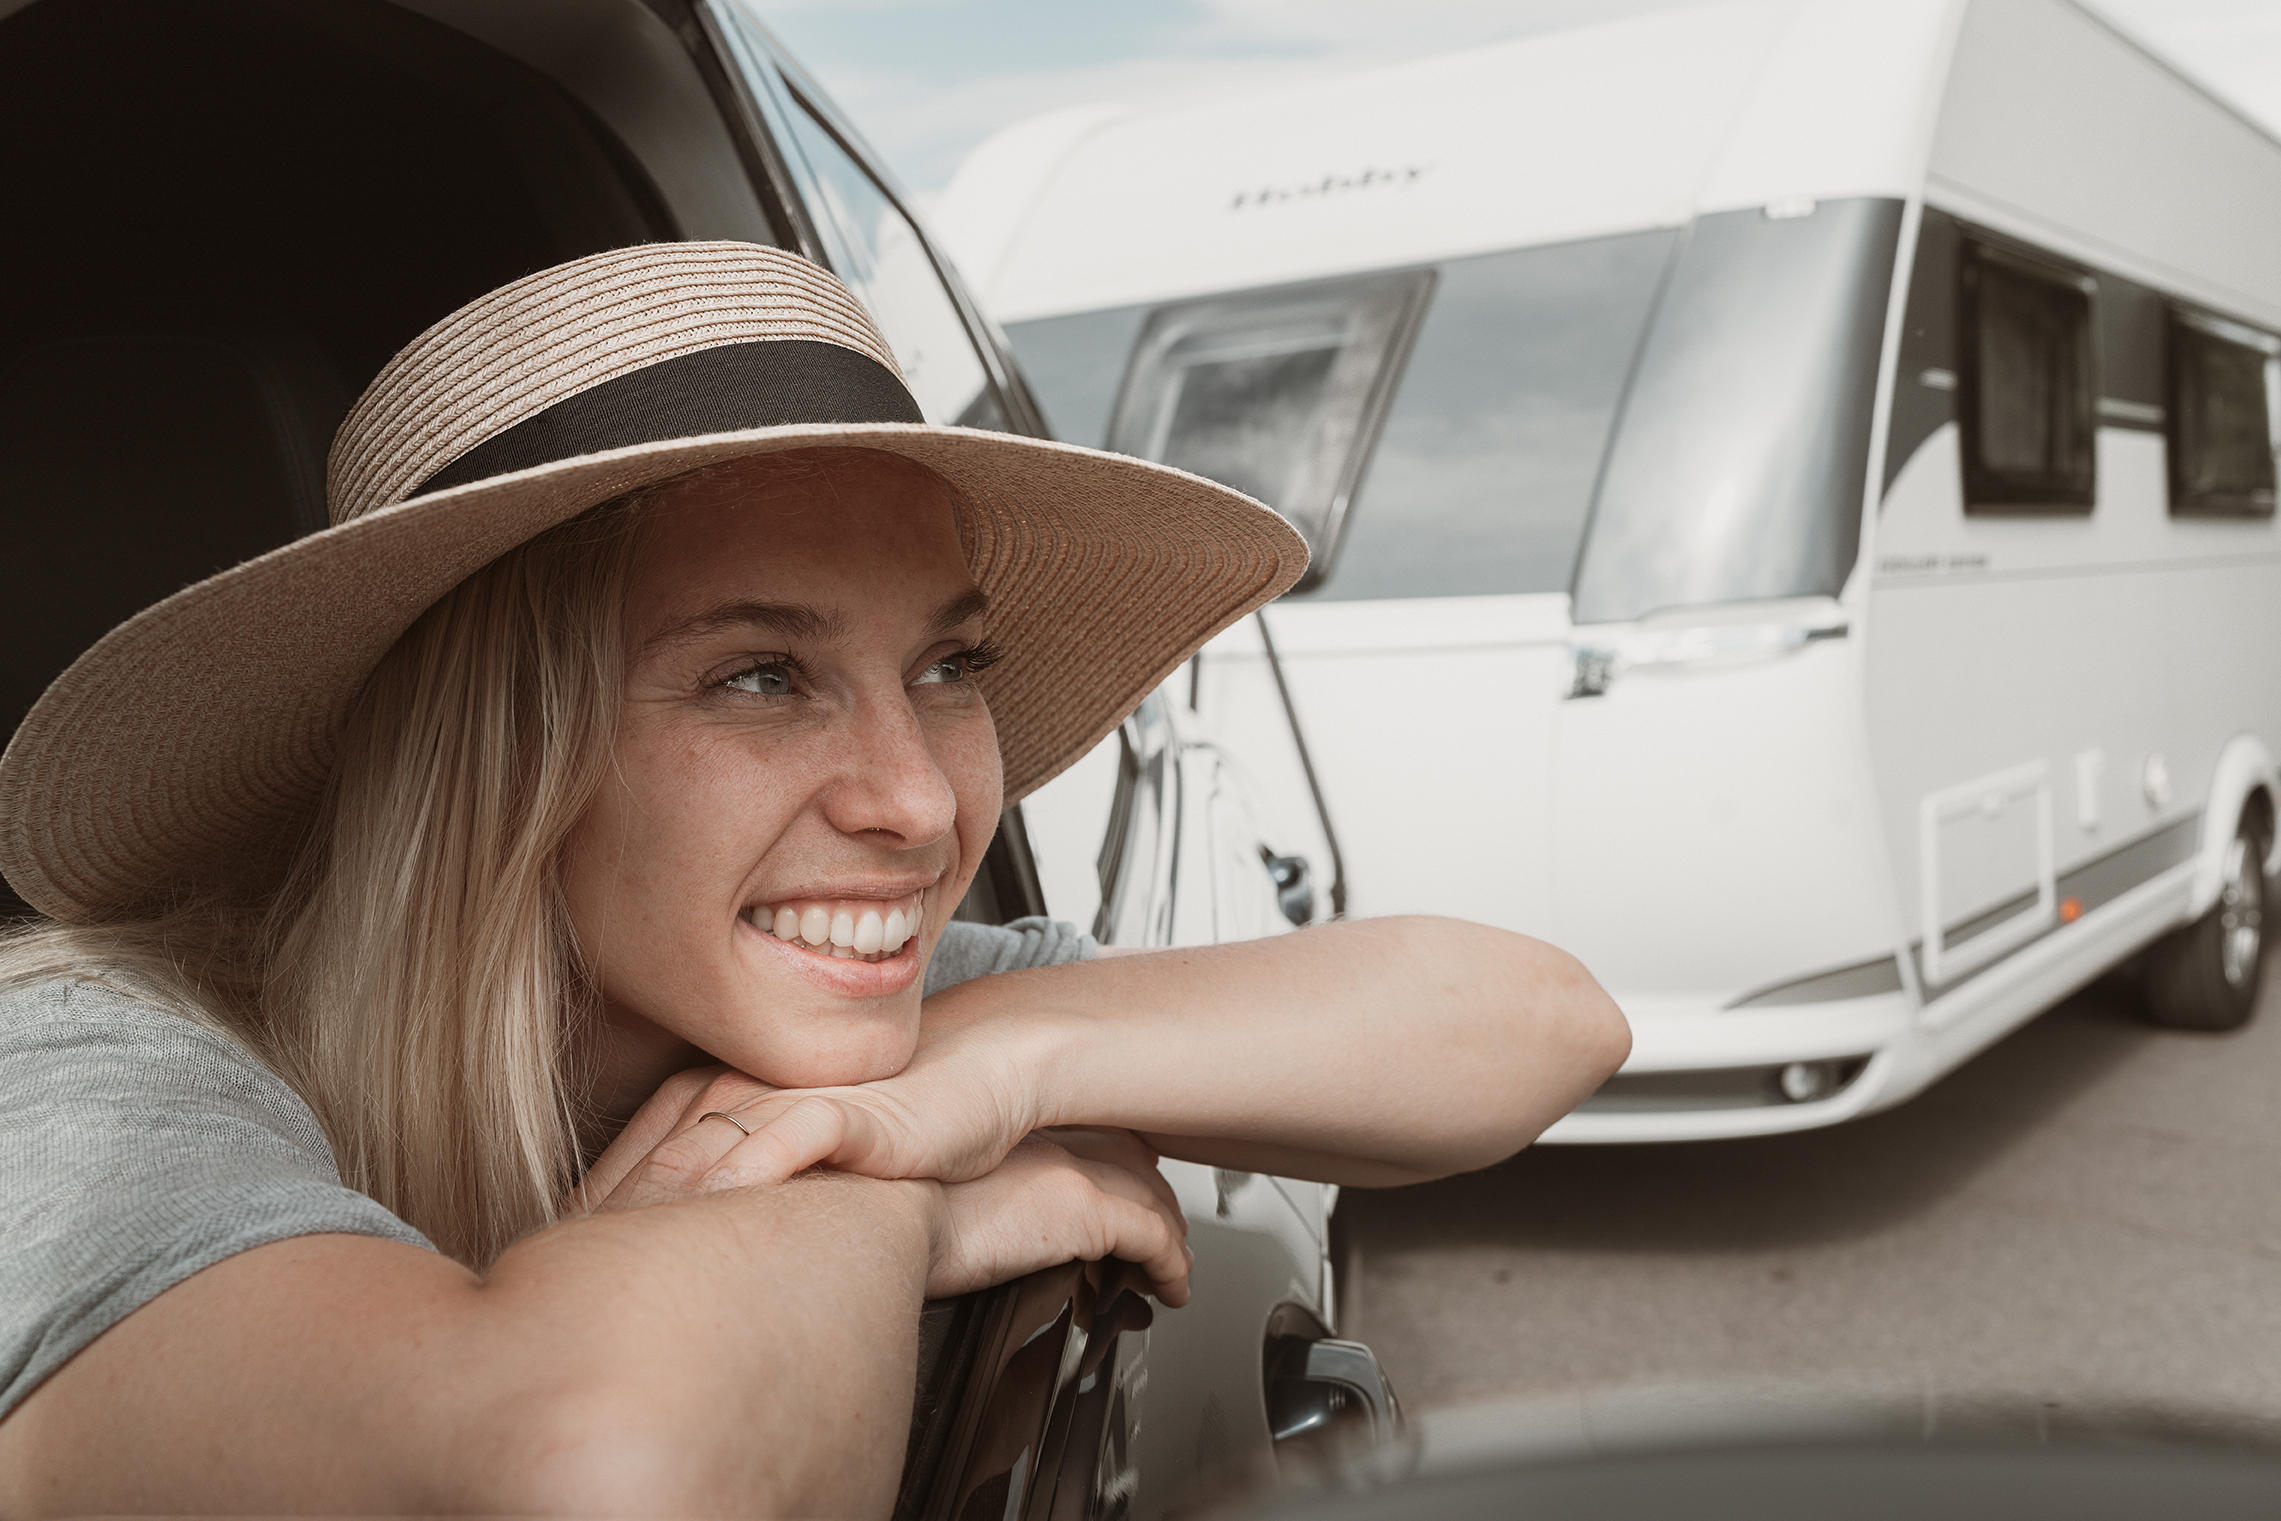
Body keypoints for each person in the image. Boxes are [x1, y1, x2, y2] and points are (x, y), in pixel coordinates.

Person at [0, 242, 1628, 1516]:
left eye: (948, 664)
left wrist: (995, 1063)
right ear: (488, 760)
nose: (922, 805)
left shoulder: (895, 1016)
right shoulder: (88, 1084)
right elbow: (608, 1478)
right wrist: (874, 1200)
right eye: (759, 677)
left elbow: (1544, 1020)